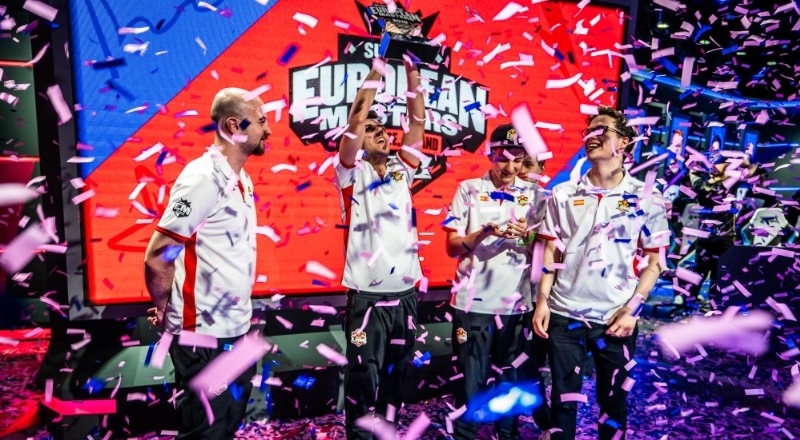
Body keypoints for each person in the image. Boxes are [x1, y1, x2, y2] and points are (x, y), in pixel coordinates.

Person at [533, 106, 670, 440]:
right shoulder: (563, 193)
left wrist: (632, 309)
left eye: (602, 130)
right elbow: (550, 250)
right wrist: (542, 301)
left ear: (623, 142)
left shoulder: (646, 196)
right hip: (565, 314)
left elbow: (655, 261)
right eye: (589, 132)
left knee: (614, 404)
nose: (592, 137)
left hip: (615, 317)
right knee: (562, 403)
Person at [144, 87, 270, 439]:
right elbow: (159, 254)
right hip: (203, 339)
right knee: (205, 433)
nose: (268, 129)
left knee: (227, 426)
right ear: (234, 125)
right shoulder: (202, 178)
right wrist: (164, 307)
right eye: (261, 121)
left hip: (236, 332)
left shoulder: (241, 178)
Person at [335, 58, 426, 439]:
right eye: (372, 131)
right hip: (367, 300)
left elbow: (417, 123)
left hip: (405, 298)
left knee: (396, 379)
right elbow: (357, 117)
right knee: (362, 380)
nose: (381, 134)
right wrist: (380, 64)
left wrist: (412, 68)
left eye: (383, 130)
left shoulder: (404, 169)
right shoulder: (350, 172)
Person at [444, 124, 548, 439]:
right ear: (490, 154)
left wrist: (527, 236)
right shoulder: (468, 189)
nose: (510, 167)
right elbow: (452, 247)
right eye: (503, 158)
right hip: (472, 303)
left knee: (510, 379)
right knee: (470, 379)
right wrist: (484, 232)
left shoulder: (536, 195)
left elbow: (543, 252)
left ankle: (507, 435)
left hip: (516, 304)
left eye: (518, 159)